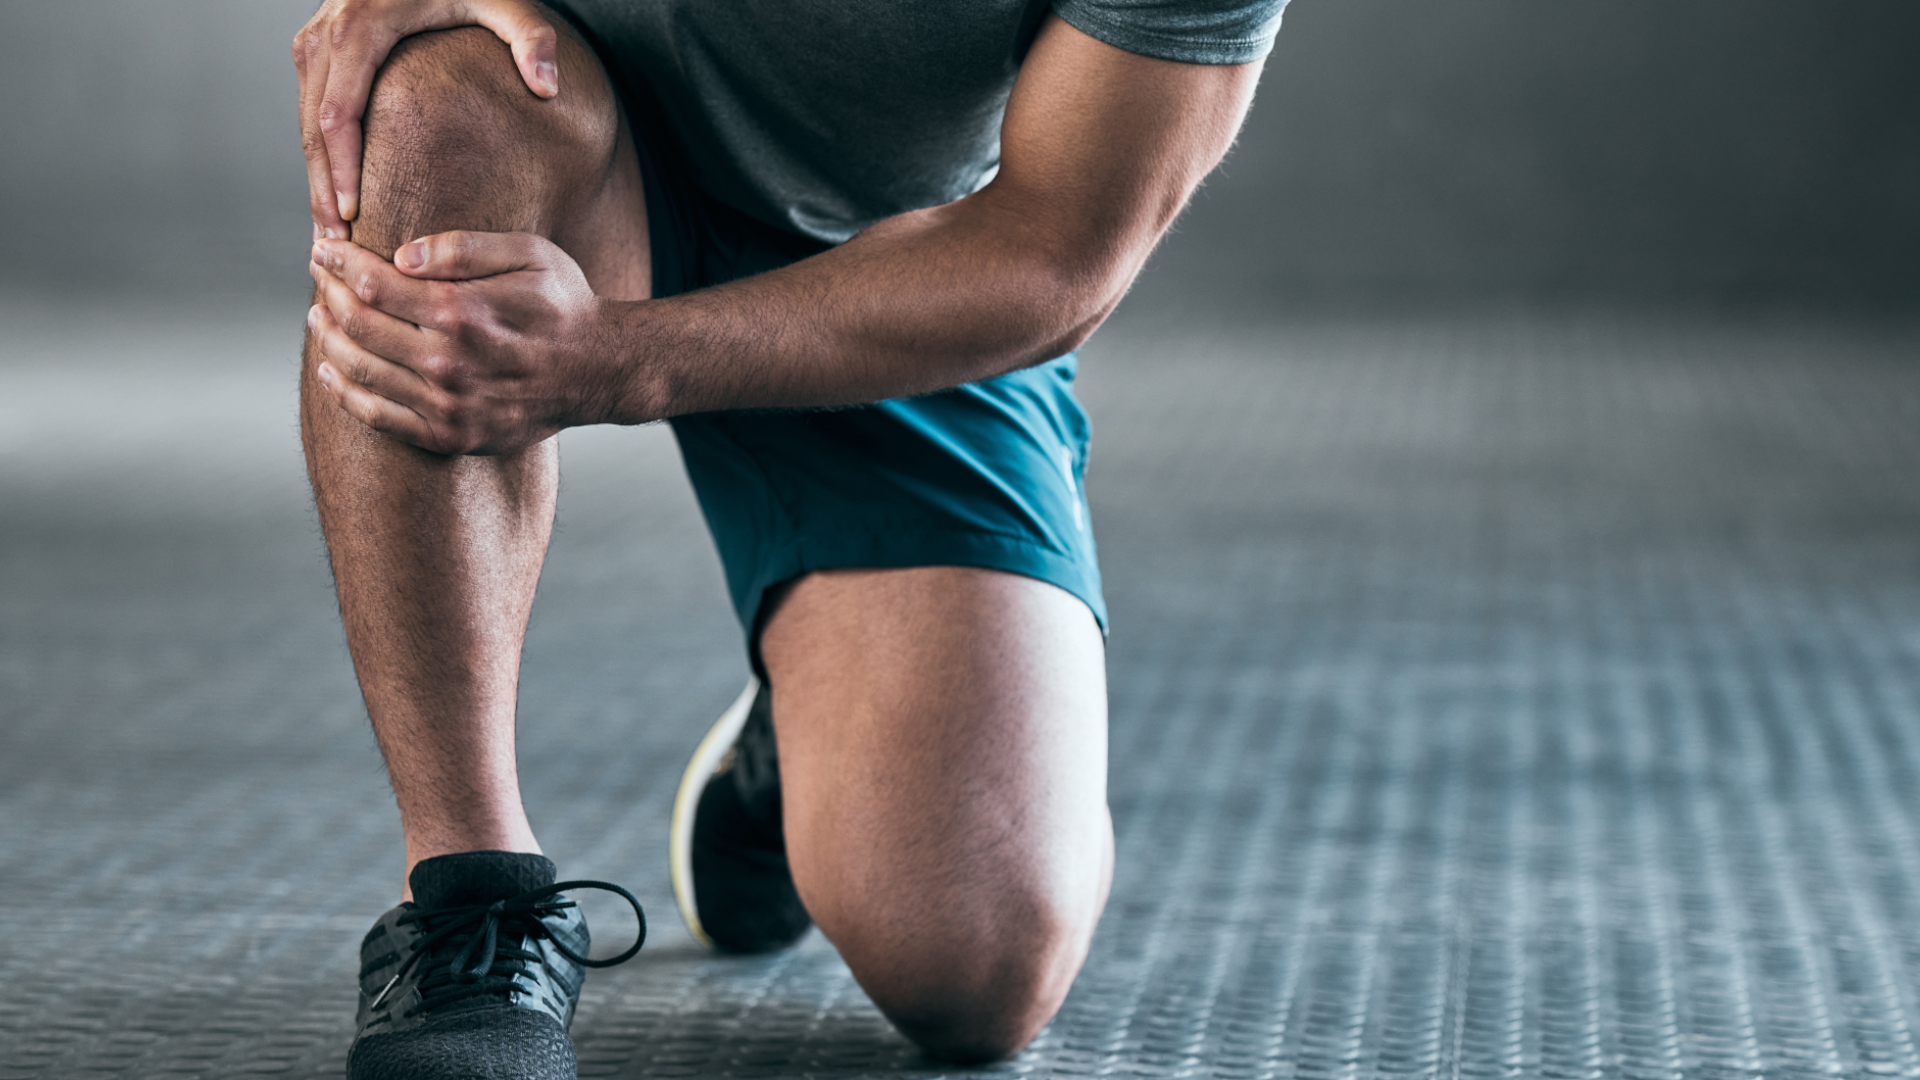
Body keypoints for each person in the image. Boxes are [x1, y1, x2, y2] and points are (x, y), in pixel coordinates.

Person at [293, 0, 1281, 1075]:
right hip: (584, 135)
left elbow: (1057, 247)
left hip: (901, 274)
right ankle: (465, 899)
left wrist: (627, 358)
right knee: (436, 104)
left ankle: (798, 724)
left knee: (977, 961)